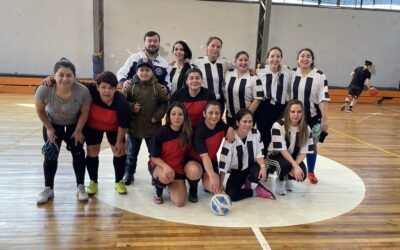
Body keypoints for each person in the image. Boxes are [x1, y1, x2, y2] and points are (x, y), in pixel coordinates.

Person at [35, 58, 91, 204]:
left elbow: (85, 113)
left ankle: (80, 186)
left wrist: (78, 130)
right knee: (50, 155)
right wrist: (49, 128)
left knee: (79, 154)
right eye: (61, 74)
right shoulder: (44, 89)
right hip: (52, 124)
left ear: (74, 76)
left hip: (74, 125)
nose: (64, 78)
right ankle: (48, 188)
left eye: (69, 75)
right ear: (54, 76)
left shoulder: (82, 91)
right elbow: (40, 111)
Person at [122, 58, 170, 185]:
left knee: (153, 155)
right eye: (141, 70)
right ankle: (129, 173)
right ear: (137, 71)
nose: (144, 73)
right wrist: (132, 107)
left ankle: (155, 174)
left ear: (152, 72)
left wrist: (158, 116)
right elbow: (122, 103)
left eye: (147, 70)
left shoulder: (158, 88)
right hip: (134, 128)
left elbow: (165, 103)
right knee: (131, 154)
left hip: (152, 128)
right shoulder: (130, 87)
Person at [84, 71, 131, 195]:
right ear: (97, 86)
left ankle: (119, 181)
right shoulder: (90, 90)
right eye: (103, 87)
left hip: (114, 128)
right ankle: (93, 181)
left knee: (119, 151)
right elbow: (71, 82)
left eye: (111, 88)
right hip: (93, 126)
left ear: (116, 89)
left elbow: (123, 124)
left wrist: (120, 141)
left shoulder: (121, 102)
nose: (107, 91)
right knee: (92, 151)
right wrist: (51, 79)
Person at [290, 48, 330, 184]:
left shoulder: (319, 75)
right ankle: (291, 169)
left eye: (308, 56)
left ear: (312, 60)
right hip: (294, 117)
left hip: (312, 117)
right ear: (297, 59)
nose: (305, 58)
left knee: (311, 145)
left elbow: (323, 98)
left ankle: (311, 172)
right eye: (302, 56)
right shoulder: (292, 73)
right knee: (293, 143)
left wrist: (324, 119)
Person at [219, 109, 275, 202]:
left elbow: (259, 153)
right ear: (237, 122)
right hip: (238, 170)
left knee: (259, 173)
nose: (248, 124)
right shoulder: (231, 139)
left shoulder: (256, 133)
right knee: (231, 196)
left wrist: (262, 167)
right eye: (244, 121)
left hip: (252, 167)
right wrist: (221, 184)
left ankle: (250, 180)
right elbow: (224, 163)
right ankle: (255, 191)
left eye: (250, 121)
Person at [267, 100, 314, 195]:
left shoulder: (306, 129)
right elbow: (282, 150)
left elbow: (303, 152)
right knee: (285, 165)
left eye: (299, 112)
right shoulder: (278, 125)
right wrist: (295, 165)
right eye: (292, 112)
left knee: (303, 174)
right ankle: (280, 180)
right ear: (288, 112)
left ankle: (287, 178)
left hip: (292, 158)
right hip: (275, 156)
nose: (295, 115)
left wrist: (296, 165)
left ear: (302, 113)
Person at [149, 102, 192, 206]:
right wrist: (165, 166)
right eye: (173, 114)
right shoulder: (161, 133)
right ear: (168, 116)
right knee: (166, 175)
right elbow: (154, 157)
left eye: (180, 114)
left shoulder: (187, 133)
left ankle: (167, 184)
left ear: (184, 116)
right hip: (160, 166)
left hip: (177, 169)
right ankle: (158, 190)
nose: (176, 117)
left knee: (180, 202)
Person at [184, 101, 228, 202]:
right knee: (194, 171)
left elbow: (231, 130)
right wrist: (212, 176)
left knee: (215, 188)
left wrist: (230, 129)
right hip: (194, 160)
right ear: (204, 114)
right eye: (210, 113)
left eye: (217, 113)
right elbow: (204, 156)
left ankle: (205, 180)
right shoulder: (199, 131)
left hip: (210, 161)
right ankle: (193, 188)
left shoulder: (220, 124)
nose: (214, 116)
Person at [255, 47, 292, 151]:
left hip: (281, 109)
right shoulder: (260, 71)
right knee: (264, 135)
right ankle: (264, 160)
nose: (275, 59)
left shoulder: (287, 71)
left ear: (281, 58)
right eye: (272, 56)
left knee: (279, 136)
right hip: (264, 108)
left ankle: (278, 162)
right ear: (267, 58)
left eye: (278, 56)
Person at [224, 51, 262, 142]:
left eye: (246, 60)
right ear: (235, 62)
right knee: (231, 141)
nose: (243, 62)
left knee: (245, 141)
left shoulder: (253, 77)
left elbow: (258, 99)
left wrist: (245, 116)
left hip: (246, 119)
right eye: (240, 60)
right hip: (230, 116)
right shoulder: (228, 73)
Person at [193, 36, 233, 111]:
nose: (215, 49)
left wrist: (250, 70)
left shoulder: (225, 63)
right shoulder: (198, 62)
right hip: (203, 100)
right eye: (213, 46)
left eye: (218, 47)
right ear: (207, 46)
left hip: (219, 101)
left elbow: (240, 67)